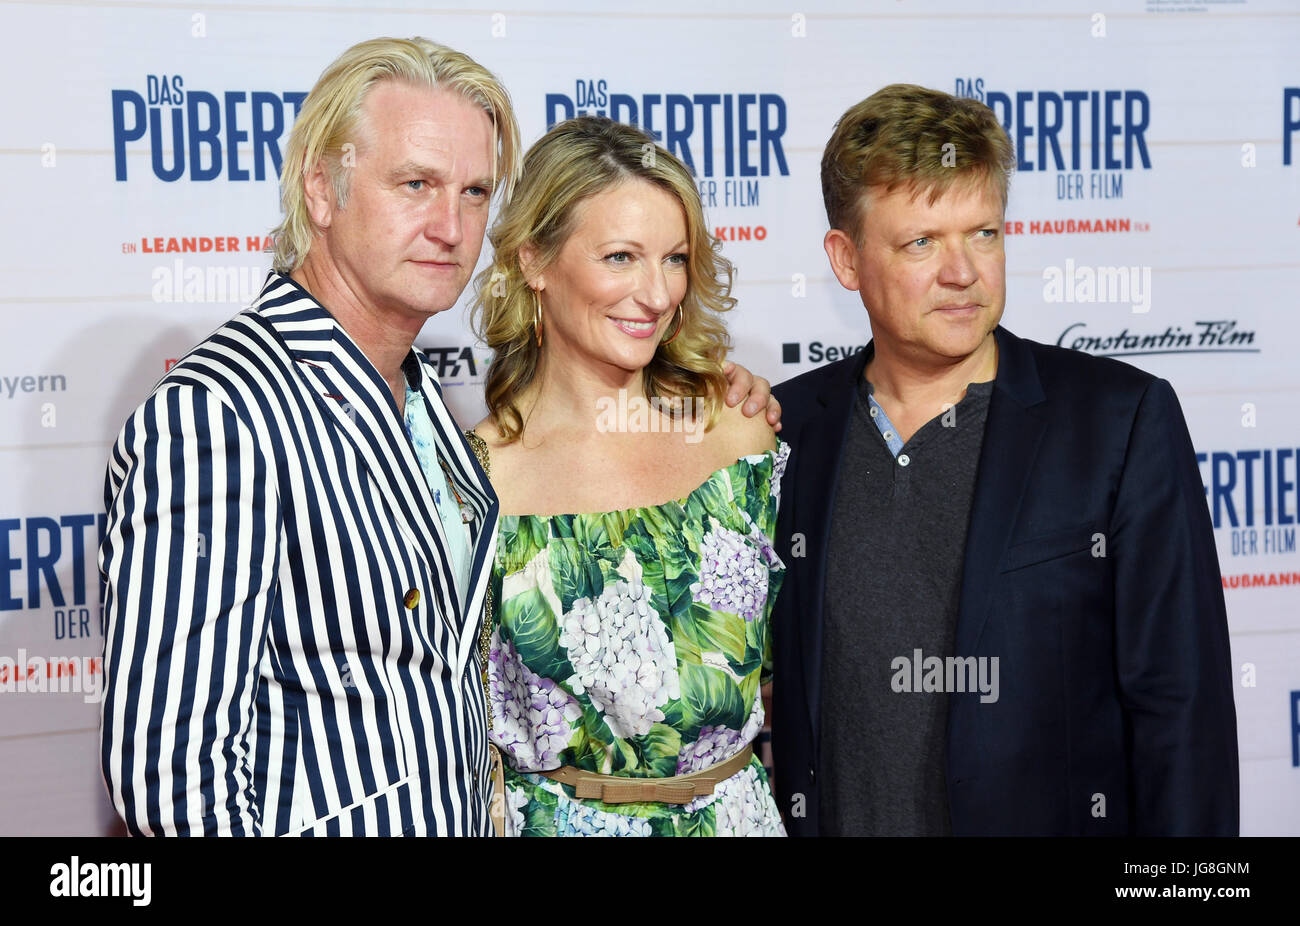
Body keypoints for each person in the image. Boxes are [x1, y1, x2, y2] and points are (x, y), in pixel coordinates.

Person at [97, 37, 779, 837]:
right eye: (414, 184)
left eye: (474, 191)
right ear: (322, 187)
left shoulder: (425, 415)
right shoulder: (222, 415)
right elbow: (173, 781)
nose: (450, 226)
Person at [770, 84, 1239, 836]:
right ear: (846, 257)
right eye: (922, 242)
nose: (964, 272)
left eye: (983, 234)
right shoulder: (784, 430)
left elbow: (1181, 712)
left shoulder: (1118, 421)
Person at [467, 116, 787, 837]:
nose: (654, 294)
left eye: (674, 258)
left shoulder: (739, 435)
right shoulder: (476, 478)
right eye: (620, 256)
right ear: (534, 261)